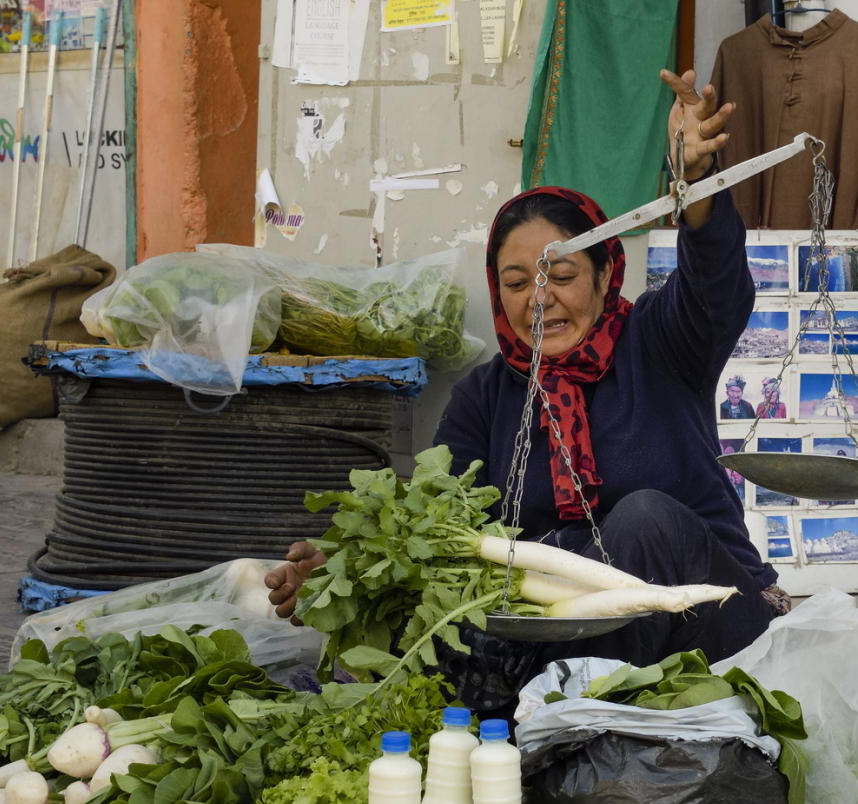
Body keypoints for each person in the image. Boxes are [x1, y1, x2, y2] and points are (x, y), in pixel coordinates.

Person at [267, 69, 789, 698]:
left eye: (561, 274)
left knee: (644, 520)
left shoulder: (661, 341)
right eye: (517, 283)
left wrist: (695, 182)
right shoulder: (487, 396)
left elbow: (716, 283)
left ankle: (558, 717)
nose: (539, 299)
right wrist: (345, 568)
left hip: (708, 622)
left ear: (604, 275)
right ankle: (550, 713)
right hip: (561, 641)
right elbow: (430, 523)